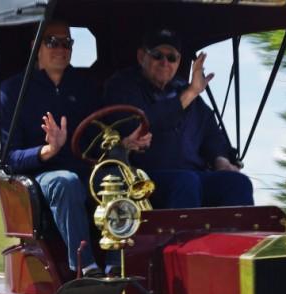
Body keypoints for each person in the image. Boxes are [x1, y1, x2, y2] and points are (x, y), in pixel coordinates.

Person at [0, 21, 149, 277]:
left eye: (67, 42)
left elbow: (98, 137)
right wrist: (47, 151)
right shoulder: (11, 92)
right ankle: (84, 267)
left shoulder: (85, 86)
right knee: (65, 182)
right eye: (52, 42)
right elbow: (8, 159)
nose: (61, 48)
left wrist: (124, 143)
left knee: (120, 179)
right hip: (40, 176)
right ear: (36, 47)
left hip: (83, 169)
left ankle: (117, 263)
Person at [104, 28, 253, 209]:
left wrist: (220, 160)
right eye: (157, 55)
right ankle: (186, 239)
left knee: (238, 183)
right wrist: (190, 93)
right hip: (145, 179)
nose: (165, 62)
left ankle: (239, 238)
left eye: (172, 58)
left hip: (193, 176)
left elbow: (211, 134)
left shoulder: (184, 90)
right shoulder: (122, 86)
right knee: (186, 182)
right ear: (141, 56)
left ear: (179, 61)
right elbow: (142, 123)